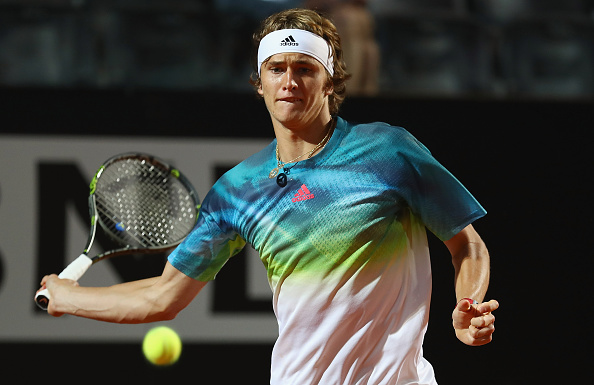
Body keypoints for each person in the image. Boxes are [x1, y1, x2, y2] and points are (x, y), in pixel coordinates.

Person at [38, 8, 498, 385]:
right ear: (260, 83)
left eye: (305, 69)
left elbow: (466, 243)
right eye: (276, 69)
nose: (289, 81)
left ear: (330, 80)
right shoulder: (236, 192)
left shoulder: (388, 150)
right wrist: (67, 298)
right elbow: (162, 297)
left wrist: (468, 304)